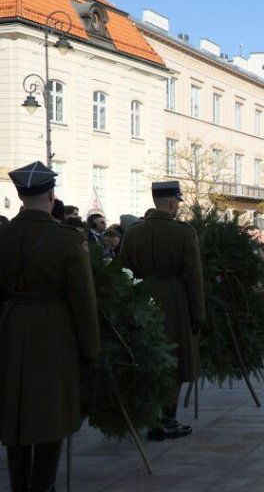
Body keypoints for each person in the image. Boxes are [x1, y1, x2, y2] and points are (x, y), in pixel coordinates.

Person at [0, 162, 99, 492]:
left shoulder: (5, 236)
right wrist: (90, 349)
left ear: (19, 196)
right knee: (50, 414)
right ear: (52, 195)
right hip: (54, 333)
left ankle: (19, 485)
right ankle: (43, 486)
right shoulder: (69, 240)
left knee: (14, 413)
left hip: (10, 327)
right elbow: (83, 300)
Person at [120, 181, 205, 441]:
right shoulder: (183, 232)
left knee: (148, 357)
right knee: (174, 359)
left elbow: (122, 269)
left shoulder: (134, 232)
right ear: (171, 203)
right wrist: (198, 313)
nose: (178, 206)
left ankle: (150, 415)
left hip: (141, 297)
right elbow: (193, 276)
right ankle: (167, 419)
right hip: (173, 300)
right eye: (177, 202)